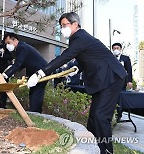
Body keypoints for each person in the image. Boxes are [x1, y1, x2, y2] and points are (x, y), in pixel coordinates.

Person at [27, 12, 127, 154]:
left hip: (111, 78)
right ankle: (93, 147)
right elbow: (86, 55)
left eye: (64, 25)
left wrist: (41, 73)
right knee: (93, 117)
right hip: (103, 79)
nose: (62, 29)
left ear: (75, 24)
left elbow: (65, 56)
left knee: (100, 116)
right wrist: (77, 68)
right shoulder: (79, 38)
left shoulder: (80, 37)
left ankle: (107, 150)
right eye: (61, 26)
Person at [0, 33, 48, 113]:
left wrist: (4, 76)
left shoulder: (22, 47)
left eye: (9, 42)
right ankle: (34, 112)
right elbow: (20, 64)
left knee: (36, 93)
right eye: (6, 44)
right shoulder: (19, 48)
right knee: (33, 93)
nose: (8, 46)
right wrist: (9, 69)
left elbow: (18, 65)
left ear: (15, 40)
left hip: (41, 72)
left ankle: (35, 113)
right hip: (34, 72)